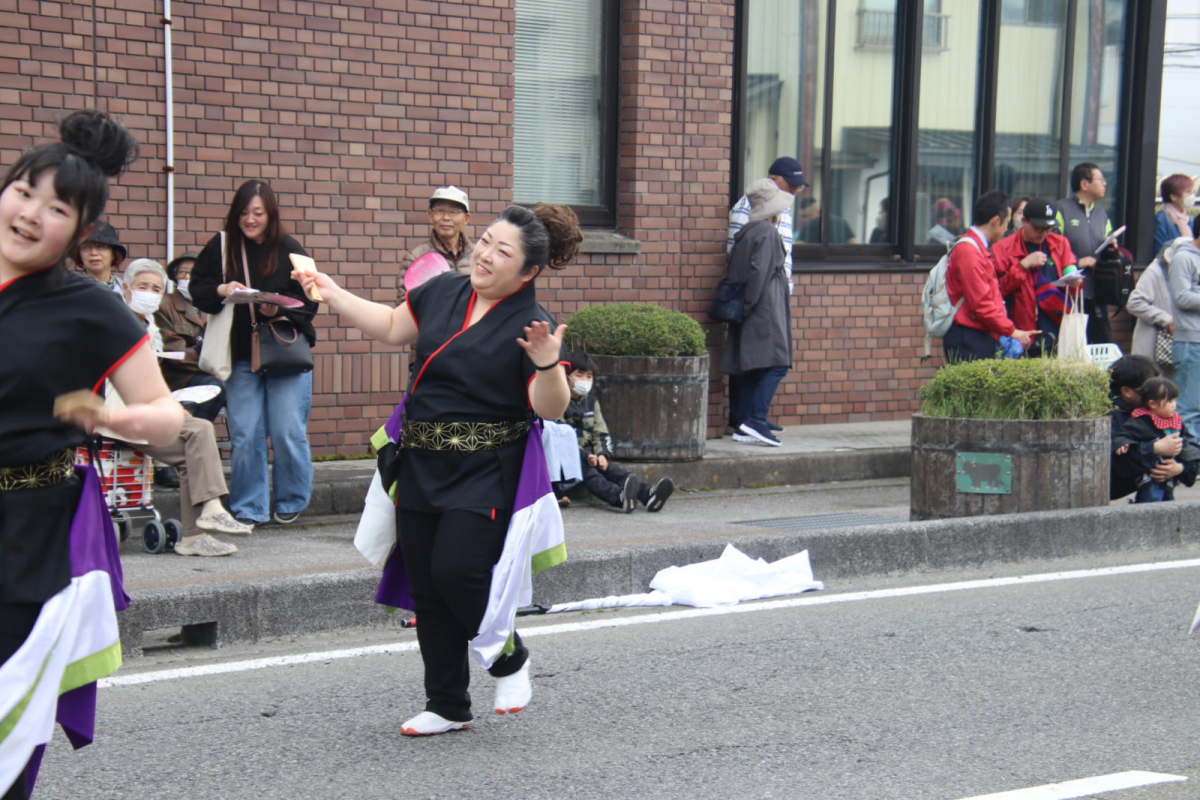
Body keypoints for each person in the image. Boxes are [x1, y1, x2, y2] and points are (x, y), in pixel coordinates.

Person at [292, 202, 581, 736]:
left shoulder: (531, 325)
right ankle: (447, 704)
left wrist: (546, 364)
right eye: (486, 241)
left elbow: (551, 407)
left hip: (485, 468)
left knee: (457, 572)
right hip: (421, 460)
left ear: (529, 272)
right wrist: (330, 291)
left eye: (503, 251)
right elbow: (391, 326)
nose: (486, 255)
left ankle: (509, 657)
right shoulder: (444, 289)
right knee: (427, 585)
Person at [0, 110, 184, 800]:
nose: (29, 213)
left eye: (55, 208)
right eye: (23, 191)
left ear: (80, 235)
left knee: (7, 707)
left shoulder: (89, 308)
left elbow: (167, 417)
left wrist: (121, 414)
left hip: (29, 533)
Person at [188, 180, 318, 526]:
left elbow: (312, 298)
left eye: (257, 213)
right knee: (246, 433)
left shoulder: (289, 247)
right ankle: (250, 506)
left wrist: (279, 310)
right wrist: (222, 288)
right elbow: (197, 289)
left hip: (285, 355)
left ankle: (291, 498)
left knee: (288, 429)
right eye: (244, 213)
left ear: (270, 214)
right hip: (240, 354)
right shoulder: (222, 245)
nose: (250, 219)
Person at [116, 258, 252, 552]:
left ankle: (194, 536)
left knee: (198, 437)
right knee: (198, 431)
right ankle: (211, 512)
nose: (149, 293)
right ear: (126, 290)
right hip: (120, 416)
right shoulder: (117, 324)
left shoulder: (148, 326)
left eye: (155, 288)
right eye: (142, 287)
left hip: (146, 414)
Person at [721, 178, 793, 447]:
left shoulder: (749, 231)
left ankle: (744, 420)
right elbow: (760, 273)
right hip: (765, 309)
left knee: (751, 365)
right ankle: (756, 421)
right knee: (777, 363)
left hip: (751, 308)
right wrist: (752, 305)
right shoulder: (767, 232)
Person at [558, 351, 674, 513]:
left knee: (612, 469)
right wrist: (586, 456)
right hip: (570, 458)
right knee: (592, 475)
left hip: (591, 454)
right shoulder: (557, 402)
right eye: (579, 375)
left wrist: (602, 454)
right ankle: (620, 498)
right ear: (565, 376)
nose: (585, 381)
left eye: (589, 376)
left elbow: (601, 432)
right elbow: (561, 438)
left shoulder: (591, 402)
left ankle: (648, 494)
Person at [942, 190, 1039, 362]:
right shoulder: (969, 251)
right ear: (995, 221)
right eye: (1006, 223)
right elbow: (981, 303)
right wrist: (1012, 331)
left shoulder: (977, 247)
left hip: (977, 334)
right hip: (969, 336)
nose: (1006, 229)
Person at [993, 197, 1079, 350]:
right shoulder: (1003, 248)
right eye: (1038, 228)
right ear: (1024, 221)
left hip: (1057, 322)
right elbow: (999, 290)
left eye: (1047, 229)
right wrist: (1023, 265)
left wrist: (1075, 281)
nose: (1043, 233)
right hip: (1022, 326)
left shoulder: (1060, 243)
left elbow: (1070, 269)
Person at [156, 250, 226, 422]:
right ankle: (189, 432)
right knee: (215, 387)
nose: (187, 277)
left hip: (213, 372)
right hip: (180, 377)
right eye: (182, 272)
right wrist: (209, 365)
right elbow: (175, 353)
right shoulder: (164, 306)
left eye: (193, 272)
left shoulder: (214, 308)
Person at [727, 156, 808, 293]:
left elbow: (786, 252)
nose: (794, 192)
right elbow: (735, 254)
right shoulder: (747, 205)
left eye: (798, 187)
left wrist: (786, 287)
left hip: (778, 292)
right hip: (755, 293)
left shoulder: (785, 208)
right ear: (773, 179)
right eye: (791, 185)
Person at [1108, 355, 1184, 501]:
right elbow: (1115, 462)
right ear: (1127, 392)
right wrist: (1154, 449)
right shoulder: (1108, 414)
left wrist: (1179, 468)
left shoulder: (1156, 409)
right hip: (1114, 482)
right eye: (1149, 390)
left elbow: (1188, 446)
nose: (1157, 395)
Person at [1113, 377, 1199, 503]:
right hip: (1150, 476)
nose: (1174, 405)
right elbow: (1124, 435)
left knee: (1168, 500)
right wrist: (1122, 443)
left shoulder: (1176, 421)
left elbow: (1188, 449)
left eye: (1175, 400)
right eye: (1169, 401)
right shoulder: (1141, 421)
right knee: (1150, 499)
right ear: (1152, 404)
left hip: (1170, 477)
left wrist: (1181, 468)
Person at [1056, 162, 1115, 344]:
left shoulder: (1101, 214)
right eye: (1100, 179)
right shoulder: (1062, 209)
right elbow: (1053, 246)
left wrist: (1112, 247)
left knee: (1102, 343)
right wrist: (1078, 261)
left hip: (1097, 292)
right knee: (1072, 346)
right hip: (1068, 293)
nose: (1104, 183)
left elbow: (1107, 246)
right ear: (1084, 184)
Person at [397, 185, 473, 299]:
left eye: (453, 211)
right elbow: (404, 303)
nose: (446, 217)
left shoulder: (478, 256)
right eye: (440, 211)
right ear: (431, 216)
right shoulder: (415, 257)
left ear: (466, 218)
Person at [1127, 237, 1187, 379]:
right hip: (1153, 345)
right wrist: (1165, 319)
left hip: (1179, 344)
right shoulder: (1155, 271)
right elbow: (1134, 303)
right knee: (1154, 389)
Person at [1166, 227, 1200, 441]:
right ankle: (1188, 464)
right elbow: (1182, 297)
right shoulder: (1183, 258)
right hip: (1191, 341)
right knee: (1188, 408)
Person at [70, 219, 126, 294]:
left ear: (113, 254)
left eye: (100, 247)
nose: (93, 253)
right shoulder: (71, 289)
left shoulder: (125, 289)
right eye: (86, 247)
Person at [1154, 174, 1196, 256]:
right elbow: (1159, 250)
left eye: (1192, 192)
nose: (1192, 196)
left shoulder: (1187, 219)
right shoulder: (1160, 219)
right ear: (1173, 196)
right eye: (1188, 192)